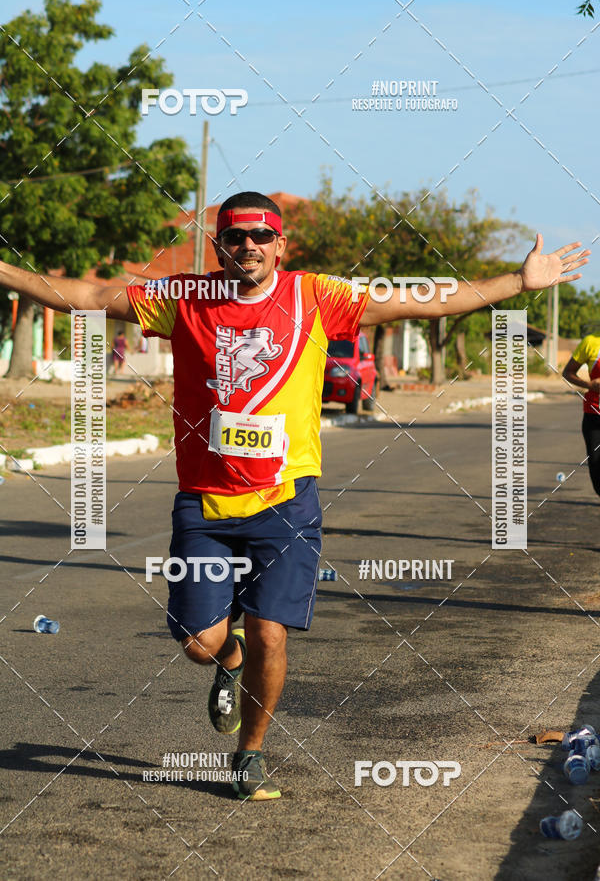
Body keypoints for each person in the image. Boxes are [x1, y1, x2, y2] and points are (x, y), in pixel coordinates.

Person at [0, 192, 589, 801]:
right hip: (204, 503)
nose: (247, 245)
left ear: (281, 244)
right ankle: (226, 661)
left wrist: (518, 282)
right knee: (201, 645)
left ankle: (249, 754)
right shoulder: (184, 299)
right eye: (234, 236)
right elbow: (86, 296)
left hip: (286, 502)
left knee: (270, 633)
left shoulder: (316, 296)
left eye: (261, 236)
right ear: (218, 245)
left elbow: (425, 298)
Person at [562, 334, 600, 496]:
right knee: (596, 466)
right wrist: (589, 385)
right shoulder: (590, 343)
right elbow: (568, 373)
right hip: (594, 414)